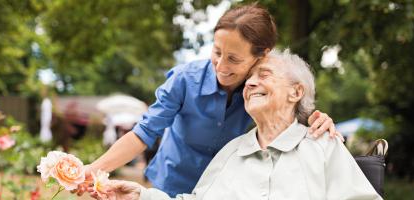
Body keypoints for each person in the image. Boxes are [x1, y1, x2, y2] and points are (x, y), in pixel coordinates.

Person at [75, 4, 340, 197]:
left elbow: (293, 115)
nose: (221, 66)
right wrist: (94, 169)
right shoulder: (184, 80)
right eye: (217, 52)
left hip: (224, 189)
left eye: (234, 59)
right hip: (171, 182)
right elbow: (143, 133)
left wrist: (321, 119)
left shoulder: (261, 91)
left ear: (262, 55)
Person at [89, 49, 382, 200]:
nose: (251, 83)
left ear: (296, 92)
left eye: (264, 75)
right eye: (249, 79)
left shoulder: (322, 145)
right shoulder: (231, 153)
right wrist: (141, 195)